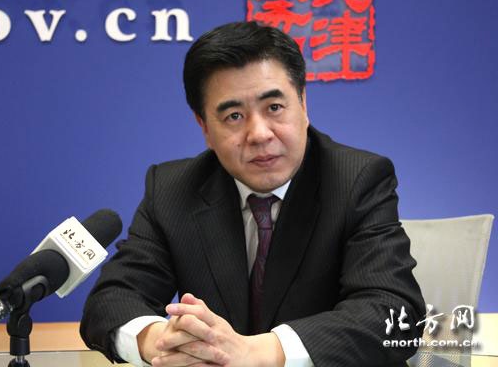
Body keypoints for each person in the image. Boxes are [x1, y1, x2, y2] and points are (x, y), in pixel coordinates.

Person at [80, 21, 425, 367]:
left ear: (303, 104)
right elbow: (111, 300)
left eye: (274, 107)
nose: (259, 134)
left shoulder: (357, 180)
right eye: (234, 116)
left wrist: (259, 352)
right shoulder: (173, 189)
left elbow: (394, 312)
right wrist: (161, 342)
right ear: (204, 128)